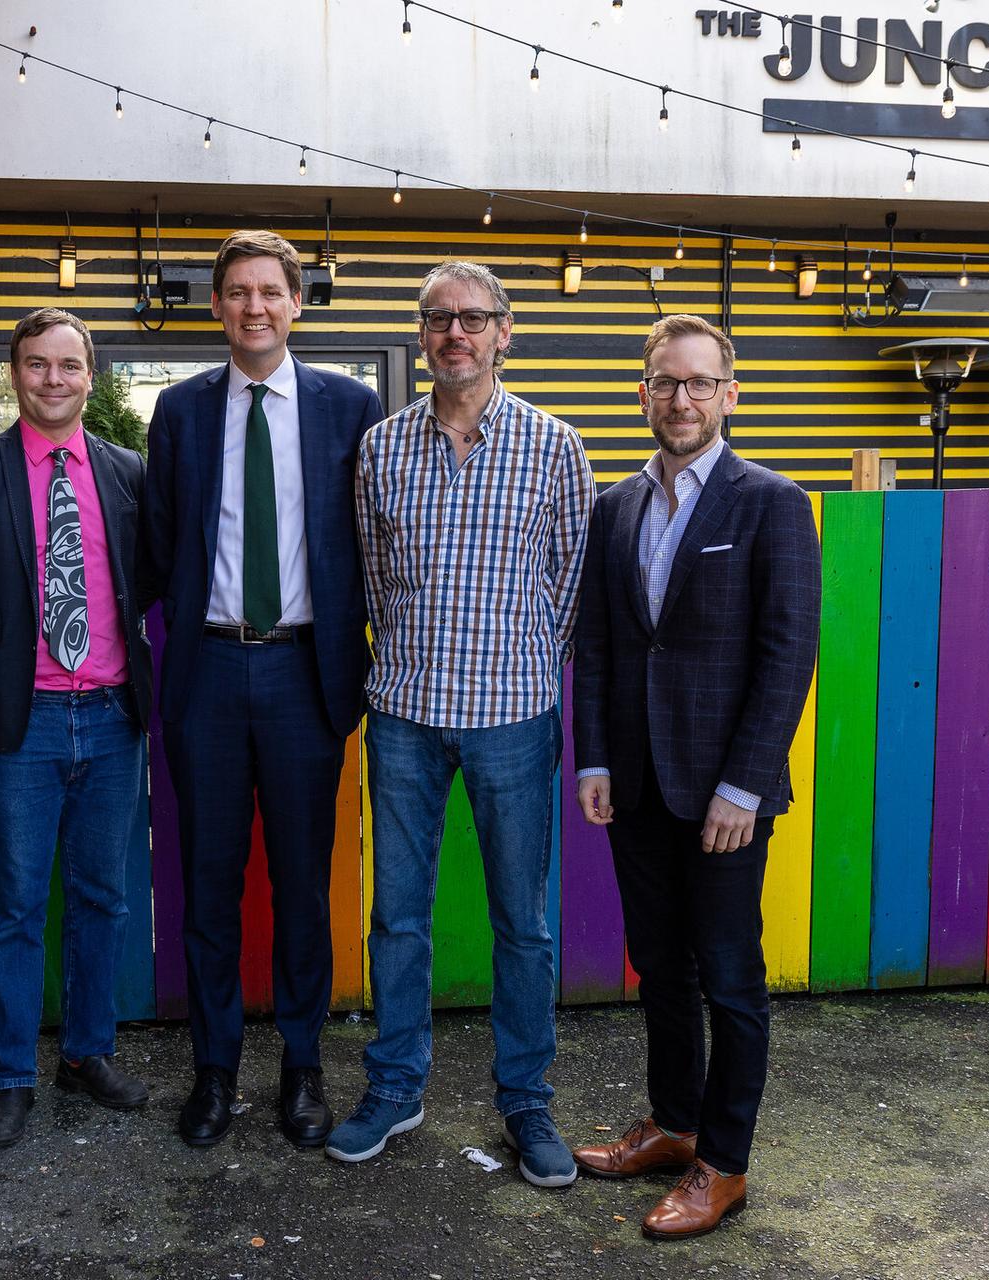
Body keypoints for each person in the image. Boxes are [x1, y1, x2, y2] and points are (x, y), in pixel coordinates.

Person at [333, 260, 593, 1187]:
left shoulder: (556, 448)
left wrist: (522, 659)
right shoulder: (381, 448)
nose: (456, 334)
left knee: (522, 924)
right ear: (421, 335)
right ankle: (396, 1088)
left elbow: (570, 583)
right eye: (439, 318)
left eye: (473, 319)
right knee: (397, 918)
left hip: (512, 717)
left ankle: (527, 1102)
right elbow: (369, 571)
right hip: (403, 712)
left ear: (503, 332)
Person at [569, 313, 820, 1239]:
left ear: (730, 395)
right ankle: (673, 1126)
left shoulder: (771, 504)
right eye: (666, 383)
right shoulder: (616, 506)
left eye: (700, 383)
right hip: (634, 785)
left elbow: (787, 658)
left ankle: (724, 1163)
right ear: (643, 393)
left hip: (724, 798)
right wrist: (592, 756)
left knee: (729, 978)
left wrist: (743, 787)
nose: (682, 399)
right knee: (660, 970)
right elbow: (595, 643)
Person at [145, 230, 384, 1149]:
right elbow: (162, 544)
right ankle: (213, 1074)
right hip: (205, 670)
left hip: (303, 672)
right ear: (218, 307)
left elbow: (372, 542)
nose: (254, 307)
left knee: (300, 887)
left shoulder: (349, 406)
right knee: (207, 885)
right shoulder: (180, 411)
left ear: (296, 303)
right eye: (237, 292)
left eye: (270, 292)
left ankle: (302, 1069)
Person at [0, 307, 153, 1149]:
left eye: (69, 365)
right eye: (37, 365)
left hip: (115, 719)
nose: (53, 379)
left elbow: (148, 579)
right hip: (20, 729)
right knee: (14, 907)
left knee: (104, 900)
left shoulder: (127, 471)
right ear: (13, 374)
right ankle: (12, 1072)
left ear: (92, 376)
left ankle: (87, 1055)